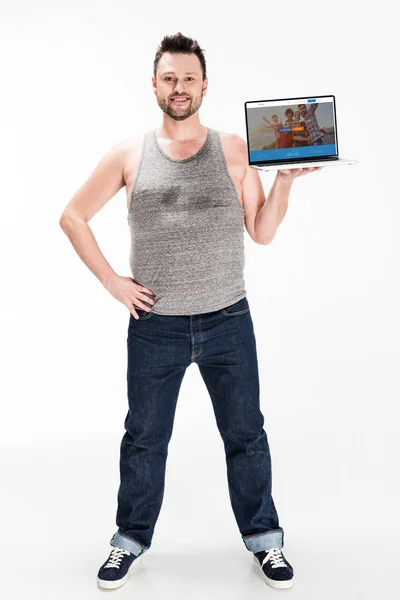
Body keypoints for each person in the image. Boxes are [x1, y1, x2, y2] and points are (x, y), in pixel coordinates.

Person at [59, 32, 322, 592]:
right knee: (144, 438)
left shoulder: (235, 149)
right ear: (155, 85)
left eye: (189, 78)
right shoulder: (130, 153)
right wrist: (113, 283)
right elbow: (73, 217)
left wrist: (283, 181)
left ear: (205, 85)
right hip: (155, 327)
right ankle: (129, 539)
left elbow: (263, 232)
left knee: (246, 434)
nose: (180, 88)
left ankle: (266, 543)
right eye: (170, 78)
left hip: (229, 320)